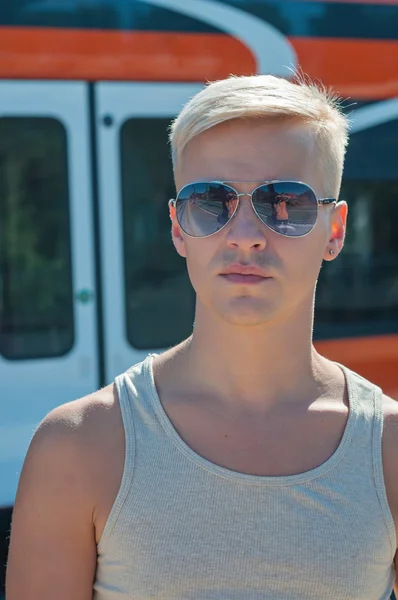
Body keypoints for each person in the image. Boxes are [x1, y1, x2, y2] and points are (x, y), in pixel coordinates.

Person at [6, 74, 398, 600]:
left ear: (334, 230)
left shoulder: (389, 450)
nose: (245, 235)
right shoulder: (76, 448)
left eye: (285, 202)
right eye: (210, 202)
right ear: (177, 226)